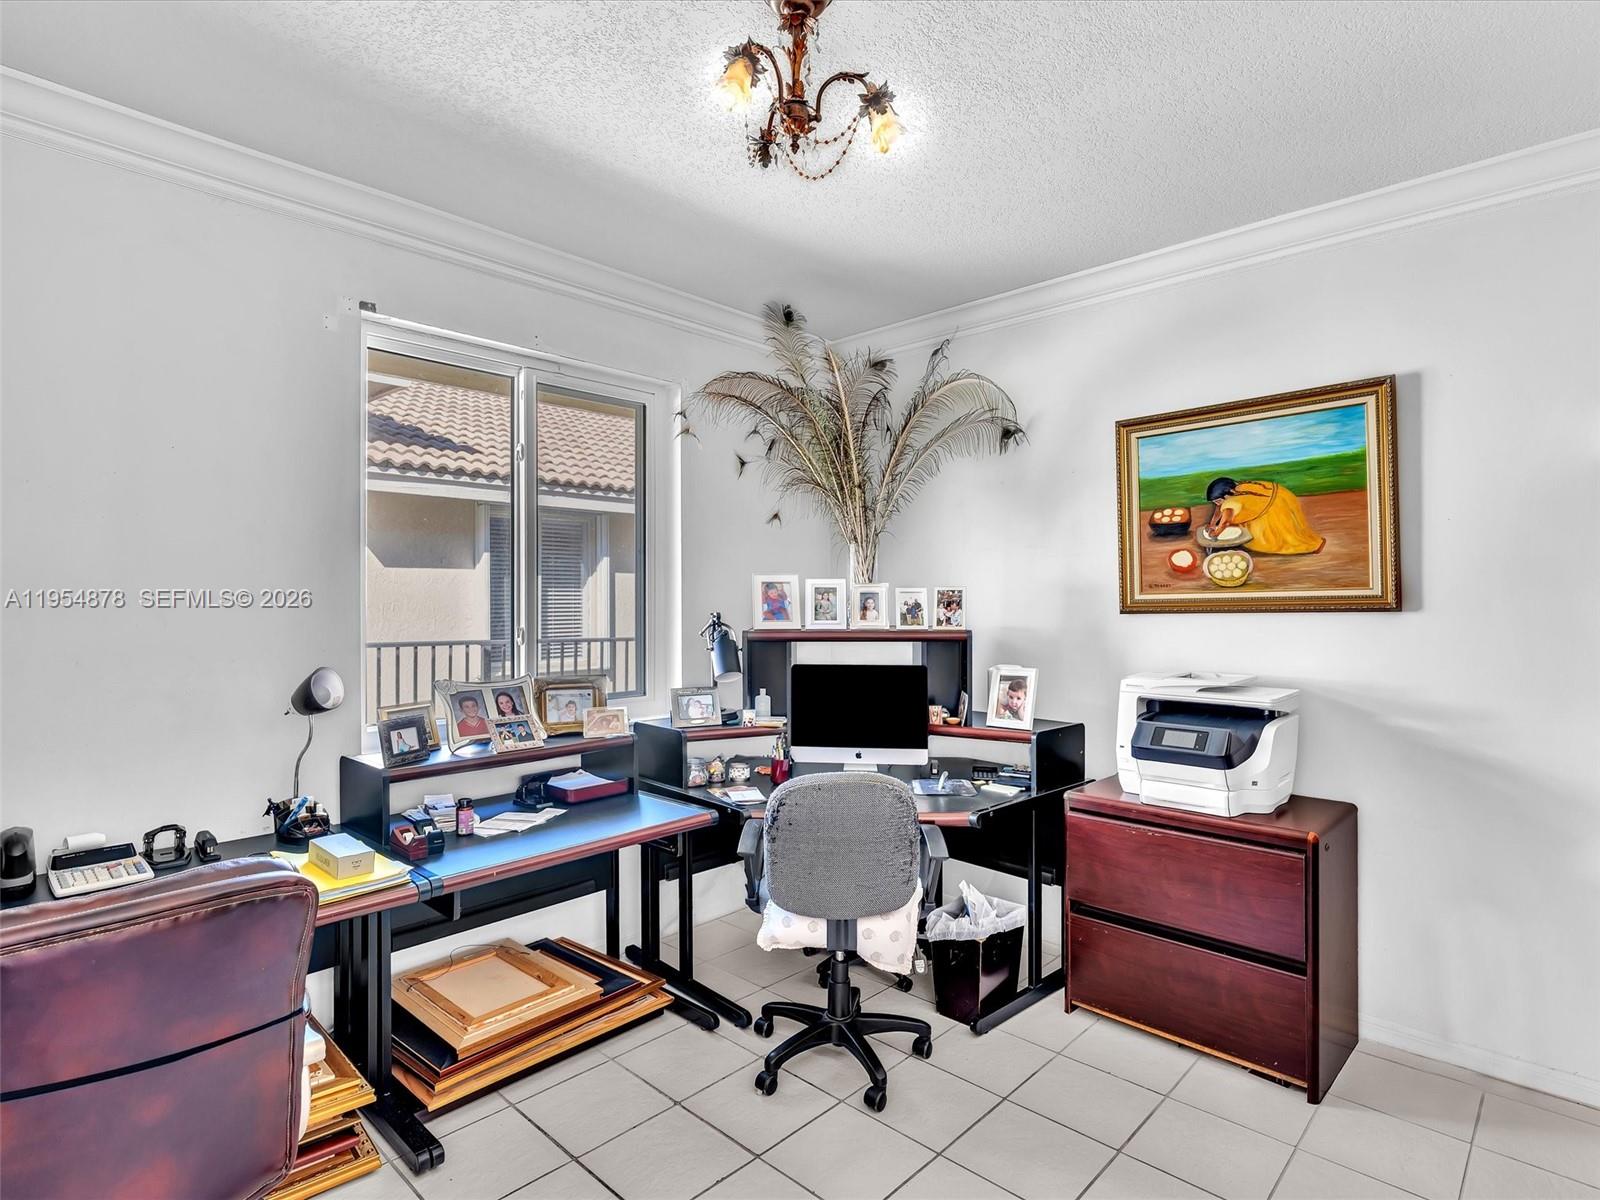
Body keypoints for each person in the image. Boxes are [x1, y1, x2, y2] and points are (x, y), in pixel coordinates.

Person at [1202, 477, 1325, 554]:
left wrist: (1215, 534)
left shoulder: (1230, 503)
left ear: (1227, 495)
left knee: (1268, 539)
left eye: (1218, 501)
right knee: (1295, 528)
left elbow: (1225, 522)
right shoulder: (1239, 488)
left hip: (1276, 509)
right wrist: (1212, 524)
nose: (1217, 504)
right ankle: (1311, 541)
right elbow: (1219, 509)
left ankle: (1311, 546)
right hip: (1283, 497)